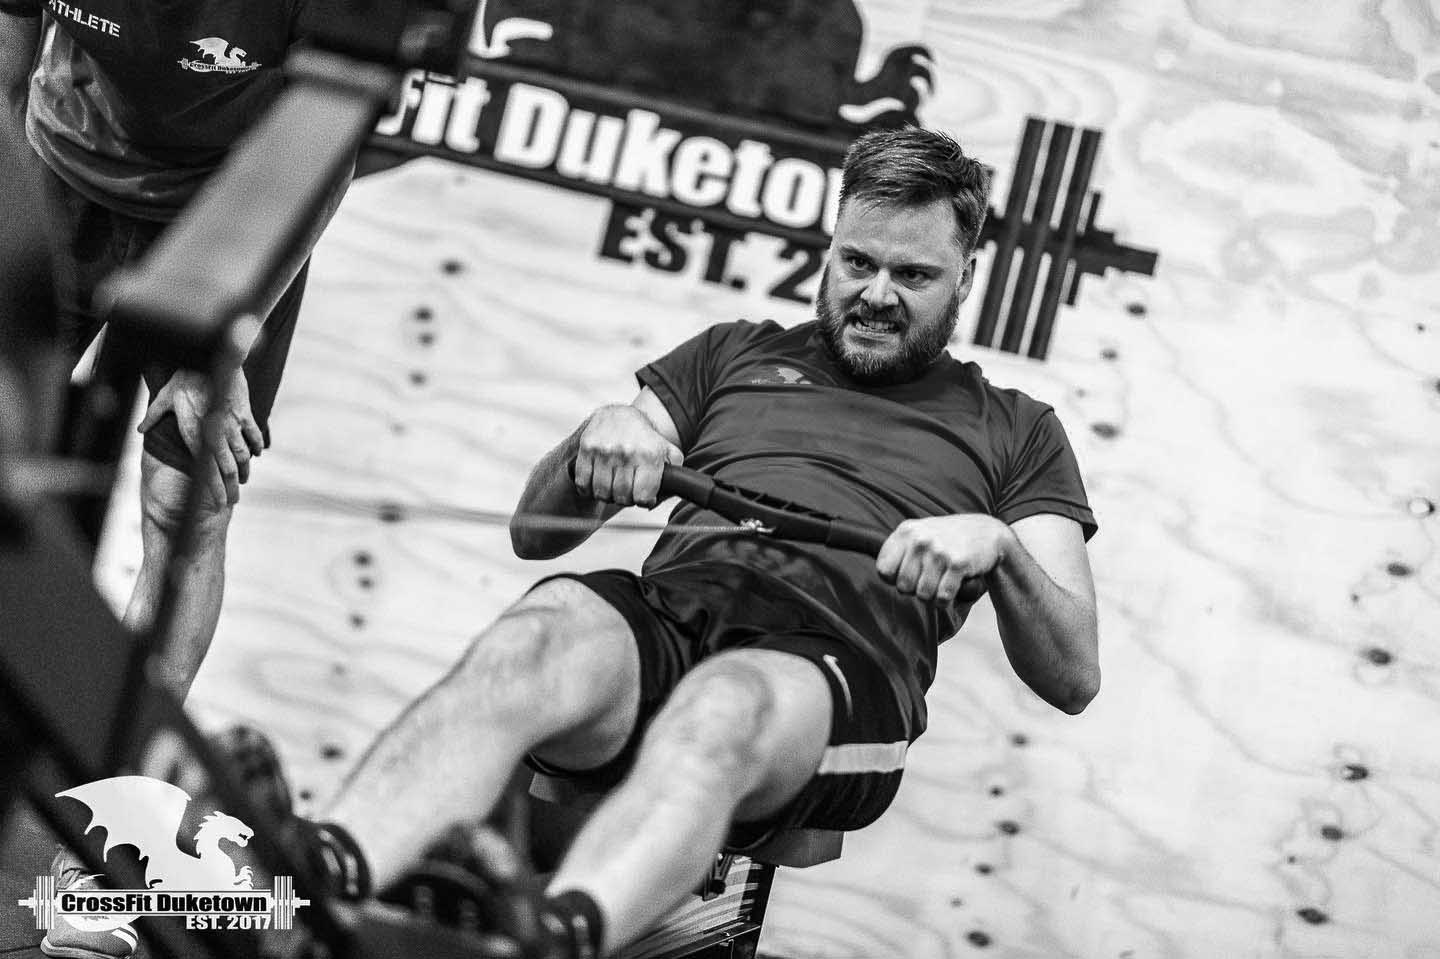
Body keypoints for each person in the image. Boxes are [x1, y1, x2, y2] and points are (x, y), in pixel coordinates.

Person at [299, 125, 1101, 958]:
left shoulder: (1018, 430)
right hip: (678, 611)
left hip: (842, 663)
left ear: (964, 277)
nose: (877, 294)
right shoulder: (731, 353)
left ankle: (551, 937)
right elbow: (536, 533)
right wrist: (597, 439)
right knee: (538, 629)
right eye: (858, 262)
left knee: (723, 704)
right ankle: (314, 883)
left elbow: (1074, 673)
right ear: (830, 248)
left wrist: (999, 549)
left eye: (914, 275)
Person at [0, 0, 350, 955]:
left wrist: (224, 337)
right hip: (57, 175)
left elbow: (332, 146)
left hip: (234, 215)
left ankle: (98, 854)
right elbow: (7, 55)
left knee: (185, 507)